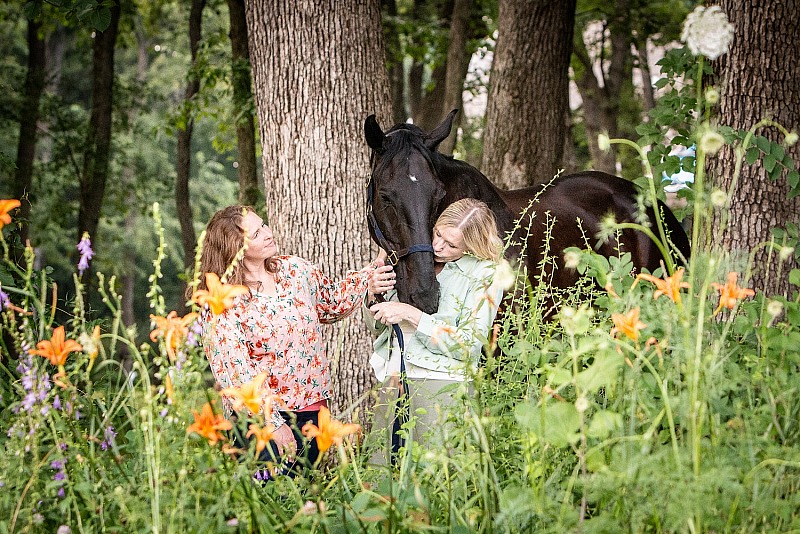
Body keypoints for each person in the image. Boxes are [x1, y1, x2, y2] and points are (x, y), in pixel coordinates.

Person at [196, 205, 378, 474]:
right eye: (257, 233)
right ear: (238, 249)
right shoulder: (222, 301)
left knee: (303, 499)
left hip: (312, 410)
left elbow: (331, 301)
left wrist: (373, 274)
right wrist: (274, 425)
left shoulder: (294, 271)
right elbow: (235, 373)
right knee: (274, 503)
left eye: (264, 225)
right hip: (260, 423)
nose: (268, 233)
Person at [363, 198, 506, 449]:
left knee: (433, 473)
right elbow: (377, 326)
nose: (437, 246)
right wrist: (374, 295)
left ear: (472, 246)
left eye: (451, 245)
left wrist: (412, 315)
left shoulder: (486, 274)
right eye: (437, 233)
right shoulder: (412, 258)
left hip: (441, 384)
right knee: (382, 472)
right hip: (393, 374)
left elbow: (469, 344)